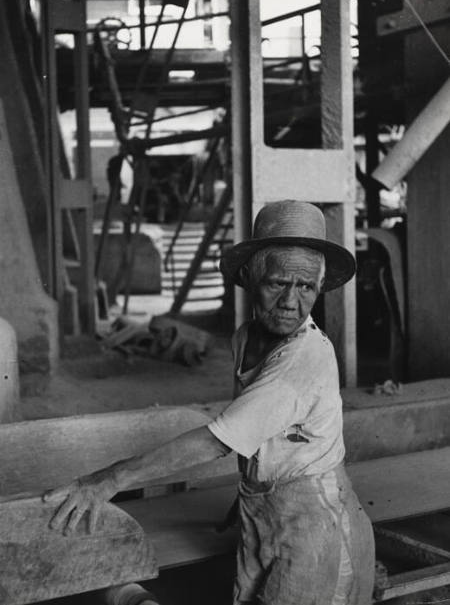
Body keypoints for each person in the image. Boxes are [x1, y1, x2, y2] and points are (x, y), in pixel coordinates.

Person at [44, 200, 375, 605]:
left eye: (305, 286)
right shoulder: (245, 338)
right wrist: (255, 489)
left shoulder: (305, 357)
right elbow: (263, 433)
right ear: (251, 279)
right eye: (277, 283)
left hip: (315, 526)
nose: (291, 300)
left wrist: (108, 480)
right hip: (268, 512)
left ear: (318, 288)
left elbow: (218, 441)